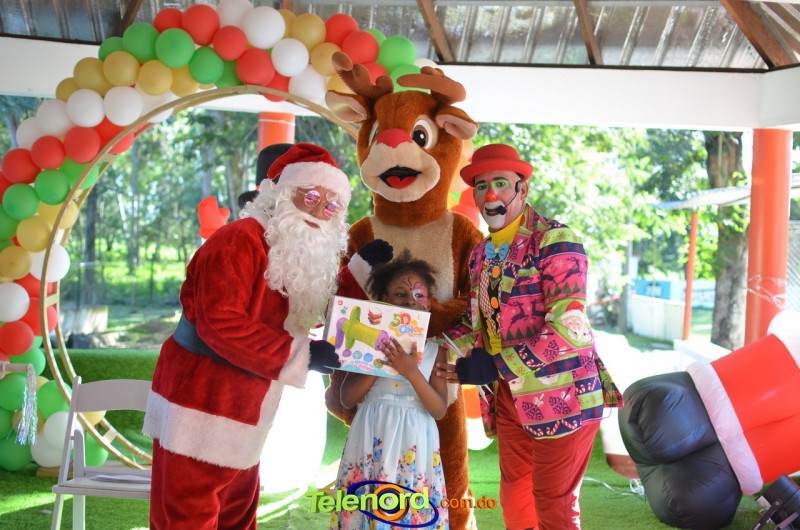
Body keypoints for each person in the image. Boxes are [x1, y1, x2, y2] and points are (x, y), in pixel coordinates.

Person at [143, 142, 351, 530]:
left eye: (330, 206)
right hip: (201, 402)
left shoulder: (290, 250)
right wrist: (302, 355)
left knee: (237, 514)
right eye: (310, 197)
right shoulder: (238, 240)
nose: (318, 211)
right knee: (189, 516)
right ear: (282, 193)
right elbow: (219, 322)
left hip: (247, 410)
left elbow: (295, 314)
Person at [435, 143, 623, 530]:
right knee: (514, 496)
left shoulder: (556, 240)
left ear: (523, 188)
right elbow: (476, 322)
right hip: (509, 395)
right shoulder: (480, 253)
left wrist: (496, 365)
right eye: (481, 185)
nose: (491, 194)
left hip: (564, 393)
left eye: (501, 183)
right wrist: (419, 342)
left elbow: (568, 329)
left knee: (554, 504)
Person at [334, 250, 450, 529]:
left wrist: (411, 372)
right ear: (384, 301)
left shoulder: (436, 351)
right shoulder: (366, 347)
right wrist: (379, 362)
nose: (411, 300)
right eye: (400, 294)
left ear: (429, 304)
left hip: (415, 443)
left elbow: (439, 410)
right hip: (371, 436)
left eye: (419, 295)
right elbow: (346, 399)